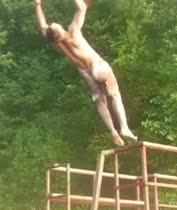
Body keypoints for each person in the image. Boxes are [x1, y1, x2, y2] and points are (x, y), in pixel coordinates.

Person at [35, 0, 137, 146]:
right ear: (58, 31)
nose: (53, 22)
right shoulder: (73, 32)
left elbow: (43, 26)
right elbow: (81, 7)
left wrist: (38, 5)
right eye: (53, 24)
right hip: (97, 67)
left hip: (86, 73)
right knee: (115, 94)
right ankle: (124, 128)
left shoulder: (56, 42)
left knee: (100, 101)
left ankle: (113, 132)